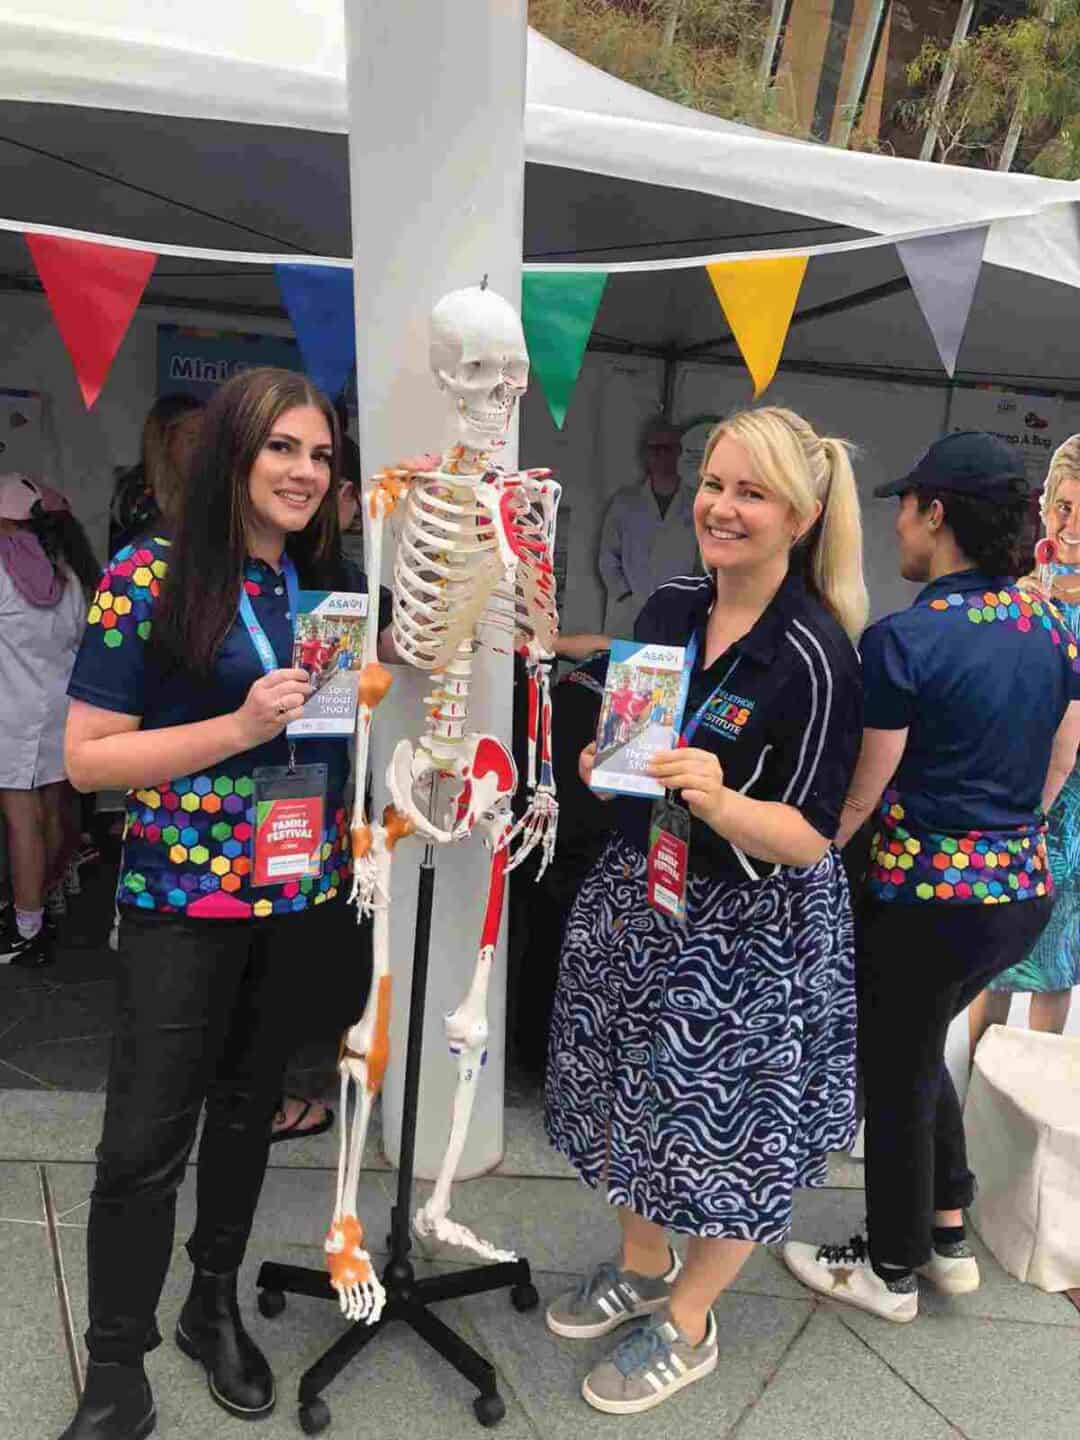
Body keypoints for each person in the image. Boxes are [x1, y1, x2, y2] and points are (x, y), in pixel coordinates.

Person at [57, 368, 393, 1440]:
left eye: (322, 455)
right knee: (142, 1141)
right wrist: (238, 730)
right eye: (282, 448)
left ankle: (212, 1306)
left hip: (294, 893)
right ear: (234, 454)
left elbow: (363, 699)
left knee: (249, 1113)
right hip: (180, 898)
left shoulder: (324, 587)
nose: (305, 472)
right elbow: (87, 759)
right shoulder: (147, 574)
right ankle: (117, 1364)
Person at [545, 407, 866, 1415]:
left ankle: (690, 1319)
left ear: (800, 518)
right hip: (644, 893)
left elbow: (810, 836)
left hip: (751, 936)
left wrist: (721, 801)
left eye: (751, 493)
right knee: (623, 1096)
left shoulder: (816, 654)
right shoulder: (672, 606)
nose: (721, 508)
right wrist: (604, 761)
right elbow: (629, 746)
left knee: (734, 1134)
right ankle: (644, 1266)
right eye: (715, 485)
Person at [783, 432, 1080, 1325]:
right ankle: (948, 1233)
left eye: (907, 508)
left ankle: (889, 1266)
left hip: (921, 903)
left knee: (895, 1070)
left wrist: (809, 857)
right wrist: (1004, 835)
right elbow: (1059, 761)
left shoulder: (904, 640)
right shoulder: (1052, 628)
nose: (899, 526)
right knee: (919, 1049)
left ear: (937, 514)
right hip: (1018, 895)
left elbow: (862, 795)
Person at [968, 435, 1080, 1045]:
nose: (1073, 526)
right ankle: (971, 1081)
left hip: (1074, 811)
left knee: (1054, 959)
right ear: (1046, 506)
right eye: (1065, 507)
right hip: (1009, 790)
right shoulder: (1013, 590)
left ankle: (1036, 1092)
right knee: (994, 961)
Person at [0, 475, 98, 967]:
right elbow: (81, 639)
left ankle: (27, 928)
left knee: (22, 822)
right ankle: (48, 895)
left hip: (11, 713)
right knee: (57, 812)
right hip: (62, 707)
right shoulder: (68, 574)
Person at [598, 418, 698, 638]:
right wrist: (625, 595)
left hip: (679, 609)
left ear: (678, 452)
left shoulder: (696, 503)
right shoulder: (625, 502)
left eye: (667, 448)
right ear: (645, 454)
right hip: (631, 609)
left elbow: (705, 560)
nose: (661, 455)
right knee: (627, 658)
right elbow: (608, 557)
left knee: (672, 659)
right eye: (654, 449)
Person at [108, 394, 204, 556]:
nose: (202, 449)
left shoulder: (200, 494)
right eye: (192, 439)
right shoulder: (136, 498)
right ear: (164, 441)